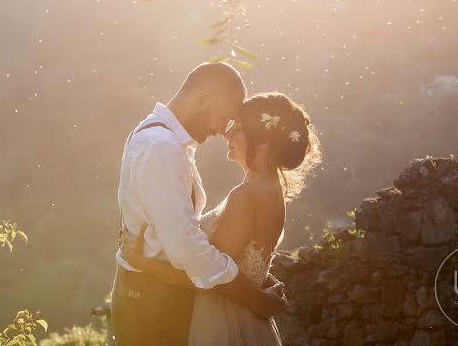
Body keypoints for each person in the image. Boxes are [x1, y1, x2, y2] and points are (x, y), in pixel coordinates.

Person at [122, 91, 322, 345]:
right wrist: (262, 284)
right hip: (243, 317)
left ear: (263, 144)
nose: (227, 134)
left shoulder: (246, 196)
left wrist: (140, 261)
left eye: (238, 129)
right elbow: (243, 263)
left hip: (225, 322)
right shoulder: (271, 191)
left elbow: (210, 279)